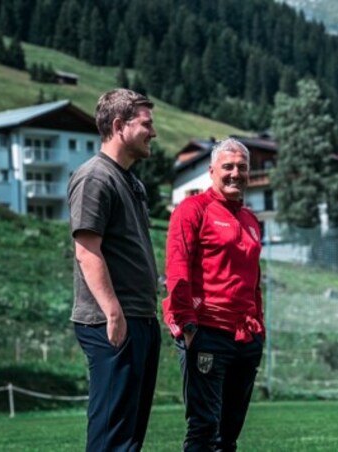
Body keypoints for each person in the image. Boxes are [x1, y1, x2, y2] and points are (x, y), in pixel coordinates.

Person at [68, 88, 161, 451]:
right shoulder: (95, 177)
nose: (153, 133)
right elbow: (87, 251)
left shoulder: (131, 181)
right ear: (120, 125)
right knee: (112, 436)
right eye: (146, 124)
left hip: (139, 319)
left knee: (129, 436)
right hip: (112, 321)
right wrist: (113, 312)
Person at [162, 138, 265, 451]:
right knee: (205, 431)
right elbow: (177, 270)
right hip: (206, 333)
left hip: (246, 339)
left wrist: (260, 326)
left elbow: (254, 280)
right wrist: (188, 327)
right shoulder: (192, 210)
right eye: (228, 167)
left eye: (242, 167)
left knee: (229, 434)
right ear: (211, 171)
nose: (236, 173)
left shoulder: (250, 220)